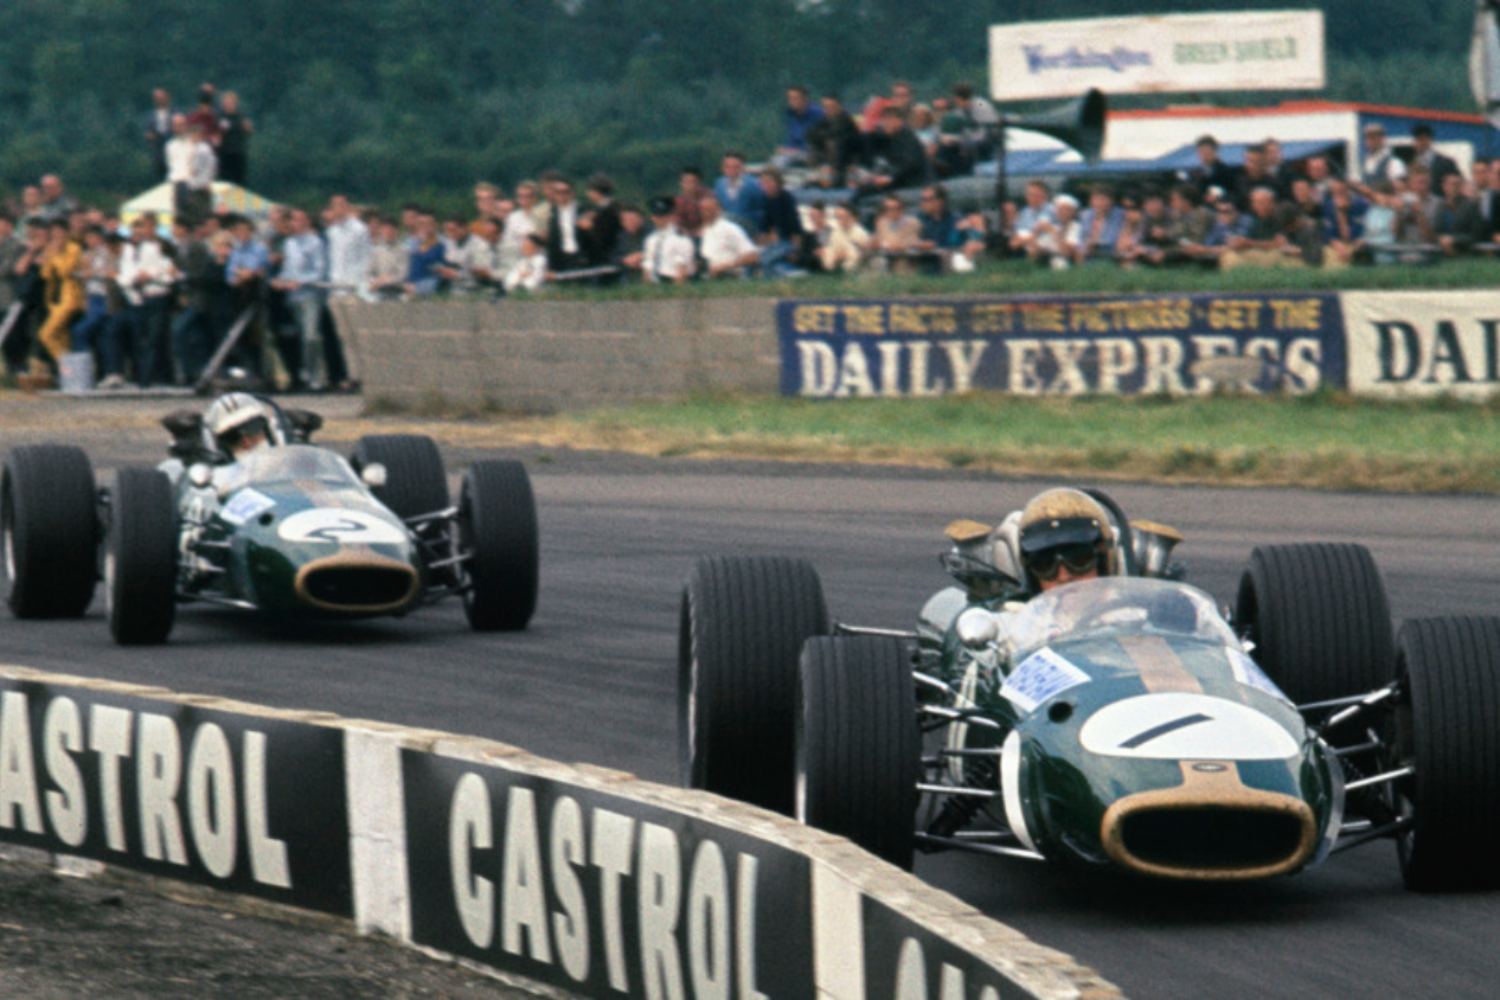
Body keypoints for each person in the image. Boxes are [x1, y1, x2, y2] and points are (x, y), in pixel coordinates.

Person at [641, 196, 696, 284]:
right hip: (654, 283)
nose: (660, 219)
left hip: (672, 281)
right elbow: (648, 263)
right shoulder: (651, 239)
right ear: (652, 217)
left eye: (664, 215)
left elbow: (683, 266)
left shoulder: (681, 238)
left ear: (672, 216)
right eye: (657, 215)